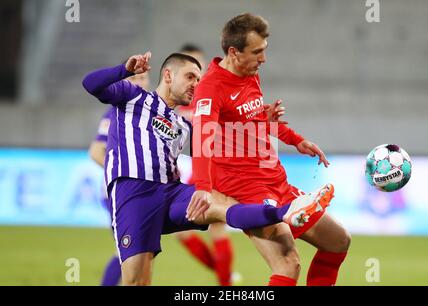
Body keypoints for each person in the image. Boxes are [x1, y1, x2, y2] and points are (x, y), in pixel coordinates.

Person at [82, 51, 330, 285]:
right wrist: (123, 70)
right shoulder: (133, 96)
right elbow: (90, 83)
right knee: (137, 281)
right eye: (190, 77)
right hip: (134, 193)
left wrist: (267, 122)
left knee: (224, 204)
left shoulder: (183, 123)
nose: (195, 84)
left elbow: (227, 132)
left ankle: (285, 212)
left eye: (199, 80)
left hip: (171, 193)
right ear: (168, 75)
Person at [188, 13, 350, 286]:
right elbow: (201, 140)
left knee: (338, 241)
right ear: (233, 52)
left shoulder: (250, 74)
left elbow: (256, 122)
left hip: (274, 180)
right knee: (288, 264)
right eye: (257, 52)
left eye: (265, 50)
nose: (263, 59)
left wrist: (294, 139)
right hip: (245, 190)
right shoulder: (211, 87)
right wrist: (203, 186)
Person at [175, 43, 236, 286]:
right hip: (199, 169)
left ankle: (225, 281)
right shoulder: (182, 101)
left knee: (216, 228)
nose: (194, 73)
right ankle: (225, 277)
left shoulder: (213, 93)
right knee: (188, 231)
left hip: (215, 168)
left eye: (197, 67)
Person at [89, 73, 150, 286]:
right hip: (120, 192)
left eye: (144, 78)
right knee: (129, 253)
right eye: (135, 79)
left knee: (143, 254)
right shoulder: (114, 111)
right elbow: (96, 151)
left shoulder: (148, 111)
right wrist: (125, 172)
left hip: (142, 192)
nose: (140, 83)